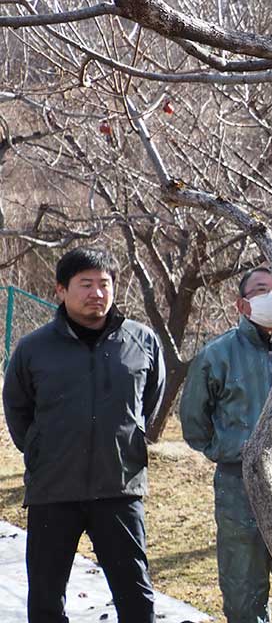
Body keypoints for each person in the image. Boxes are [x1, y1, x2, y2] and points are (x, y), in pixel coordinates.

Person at [2, 246, 165, 623]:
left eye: (104, 284)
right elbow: (18, 411)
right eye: (85, 284)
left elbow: (151, 402)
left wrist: (130, 440)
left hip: (119, 487)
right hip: (53, 490)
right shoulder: (33, 348)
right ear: (60, 290)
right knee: (45, 597)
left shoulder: (141, 341)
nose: (97, 293)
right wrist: (43, 451)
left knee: (136, 596)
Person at [178, 266, 272, 623]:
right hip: (238, 483)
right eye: (262, 289)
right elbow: (195, 424)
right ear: (242, 305)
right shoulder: (216, 355)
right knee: (242, 588)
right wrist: (231, 450)